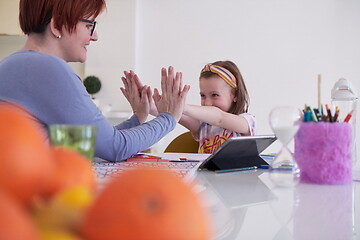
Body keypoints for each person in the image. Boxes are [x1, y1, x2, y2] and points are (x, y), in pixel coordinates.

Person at [0, 0, 189, 161]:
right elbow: (115, 148)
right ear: (57, 26)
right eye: (89, 26)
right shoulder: (48, 68)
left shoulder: (11, 65)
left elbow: (86, 144)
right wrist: (169, 117)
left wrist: (138, 117)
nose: (95, 36)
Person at [178, 60, 256, 153]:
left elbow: (219, 118)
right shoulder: (204, 125)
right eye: (203, 95)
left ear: (235, 95)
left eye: (214, 95)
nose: (207, 103)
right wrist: (165, 105)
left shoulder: (247, 121)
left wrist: (182, 107)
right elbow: (174, 113)